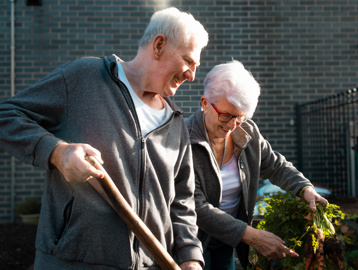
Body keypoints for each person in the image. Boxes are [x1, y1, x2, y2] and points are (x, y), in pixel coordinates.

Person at [0, 7, 208, 270]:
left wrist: (190, 256)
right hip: (73, 263)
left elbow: (182, 200)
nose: (191, 75)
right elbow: (7, 115)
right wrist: (57, 153)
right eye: (189, 61)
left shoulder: (175, 122)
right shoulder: (85, 78)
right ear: (158, 46)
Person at [184, 60, 328, 270]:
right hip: (189, 242)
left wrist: (304, 188)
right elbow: (195, 205)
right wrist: (252, 236)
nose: (232, 125)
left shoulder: (247, 132)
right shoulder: (183, 139)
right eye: (226, 115)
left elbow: (276, 166)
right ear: (205, 103)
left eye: (239, 117)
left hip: (228, 239)